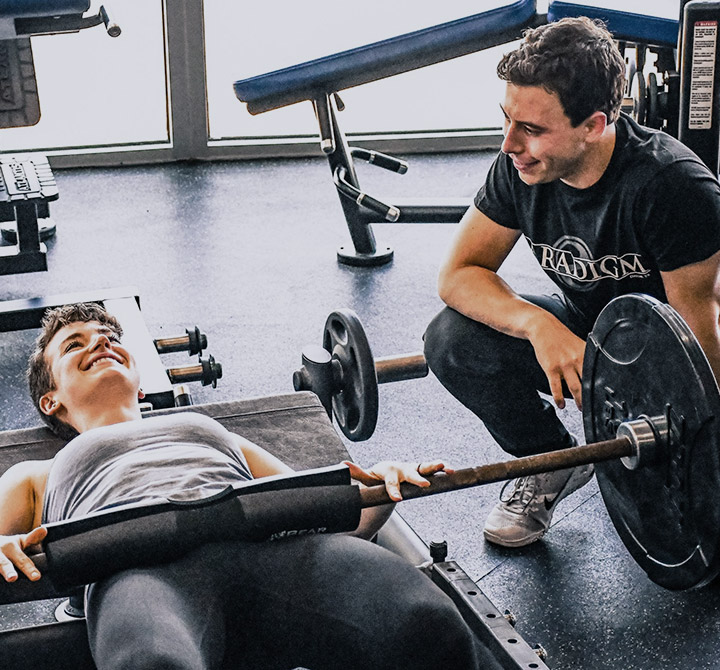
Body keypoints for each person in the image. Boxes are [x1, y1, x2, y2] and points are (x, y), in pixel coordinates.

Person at [0, 303, 485, 670]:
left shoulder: (211, 430)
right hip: (139, 574)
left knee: (428, 625)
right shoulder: (38, 472)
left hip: (271, 554)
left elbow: (325, 514)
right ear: (50, 401)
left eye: (107, 336)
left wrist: (384, 485)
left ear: (140, 384)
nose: (99, 343)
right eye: (75, 344)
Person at [424, 17, 720, 549]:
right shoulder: (521, 167)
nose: (509, 143)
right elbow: (458, 275)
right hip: (590, 332)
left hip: (669, 353)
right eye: (507, 120)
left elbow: (705, 351)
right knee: (450, 339)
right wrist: (539, 325)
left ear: (594, 124)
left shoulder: (672, 187)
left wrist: (691, 466)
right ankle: (550, 461)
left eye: (532, 129)